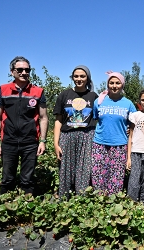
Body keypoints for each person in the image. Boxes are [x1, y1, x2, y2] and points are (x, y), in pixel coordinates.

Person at [0, 56, 48, 195]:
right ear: (12, 71)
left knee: (27, 180)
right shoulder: (3, 90)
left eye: (27, 69)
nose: (24, 72)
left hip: (30, 142)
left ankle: (27, 209)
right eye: (20, 69)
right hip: (9, 141)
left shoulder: (38, 92)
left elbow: (43, 118)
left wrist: (43, 141)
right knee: (7, 179)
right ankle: (5, 207)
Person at [53, 65, 98, 198]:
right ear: (72, 78)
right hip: (67, 135)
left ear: (87, 78)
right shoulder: (64, 94)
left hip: (87, 136)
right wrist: (56, 143)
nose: (79, 79)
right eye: (76, 76)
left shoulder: (93, 96)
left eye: (82, 76)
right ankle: (64, 198)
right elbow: (58, 120)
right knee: (65, 168)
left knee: (84, 169)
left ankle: (81, 199)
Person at [91, 71, 137, 195]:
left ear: (122, 85)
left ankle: (113, 202)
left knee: (116, 177)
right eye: (111, 83)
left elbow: (134, 124)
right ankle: (99, 202)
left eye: (117, 83)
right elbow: (95, 118)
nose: (114, 86)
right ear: (108, 84)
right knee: (98, 174)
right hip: (100, 143)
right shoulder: (99, 101)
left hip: (120, 144)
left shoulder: (128, 104)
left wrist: (129, 129)